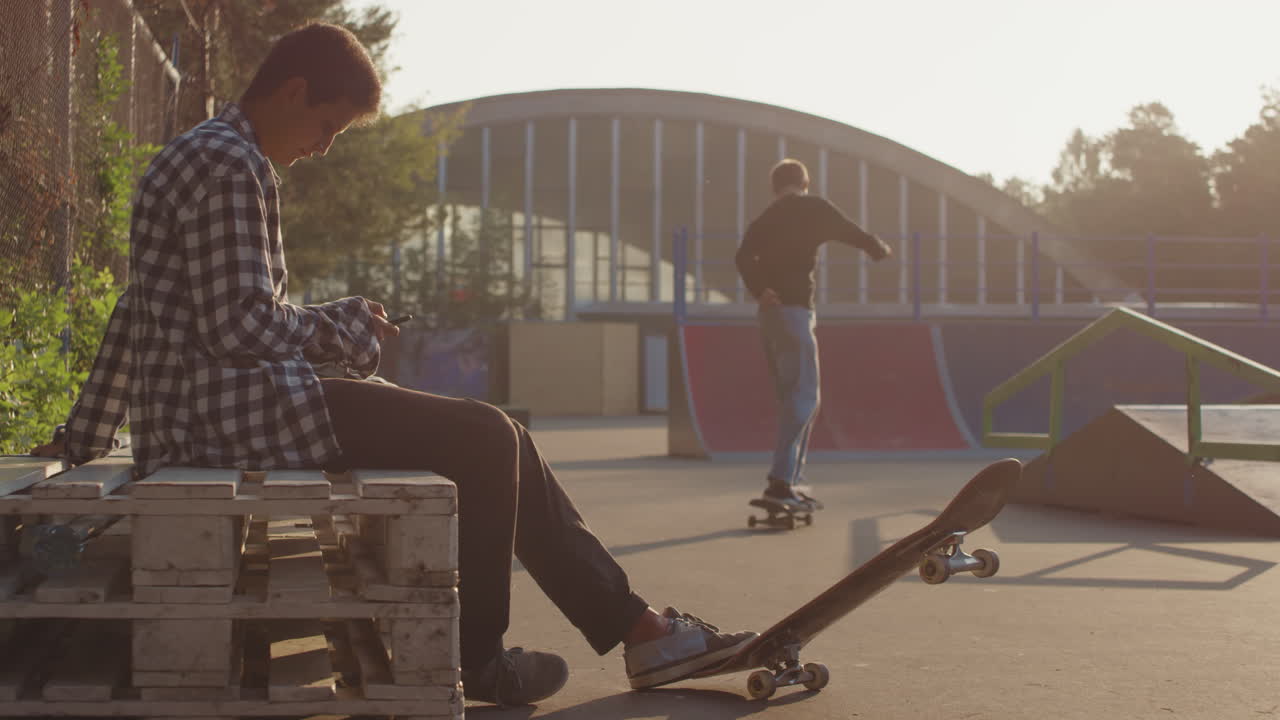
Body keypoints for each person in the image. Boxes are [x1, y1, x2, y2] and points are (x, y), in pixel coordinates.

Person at [29, 22, 753, 705]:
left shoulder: (193, 154)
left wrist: (85, 433)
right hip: (232, 414)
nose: (323, 147)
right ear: (293, 90)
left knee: (503, 435)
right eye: (327, 125)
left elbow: (137, 307)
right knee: (487, 436)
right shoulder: (230, 164)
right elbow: (236, 325)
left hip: (216, 409)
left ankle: (640, 628)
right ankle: (485, 658)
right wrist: (342, 327)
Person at [734, 158, 893, 510]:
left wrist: (760, 290)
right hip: (794, 312)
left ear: (775, 187)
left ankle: (791, 480)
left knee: (793, 396)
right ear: (804, 183)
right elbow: (847, 229)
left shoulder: (766, 217)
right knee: (805, 397)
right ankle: (780, 481)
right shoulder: (812, 207)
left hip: (770, 317)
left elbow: (743, 255)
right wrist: (875, 247)